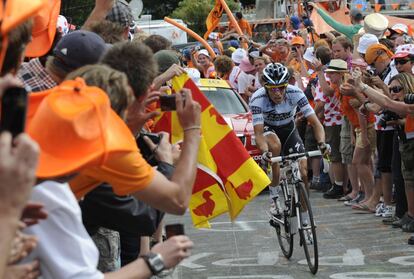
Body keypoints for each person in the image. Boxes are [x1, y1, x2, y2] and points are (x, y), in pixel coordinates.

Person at [249, 63, 328, 214]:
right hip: (268, 129)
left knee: (304, 173)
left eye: (281, 88)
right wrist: (265, 151)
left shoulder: (296, 93)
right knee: (274, 146)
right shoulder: (257, 98)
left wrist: (322, 143)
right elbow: (258, 133)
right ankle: (274, 198)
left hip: (289, 129)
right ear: (266, 88)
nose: (277, 93)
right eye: (273, 89)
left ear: (287, 85)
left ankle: (303, 218)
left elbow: (316, 123)